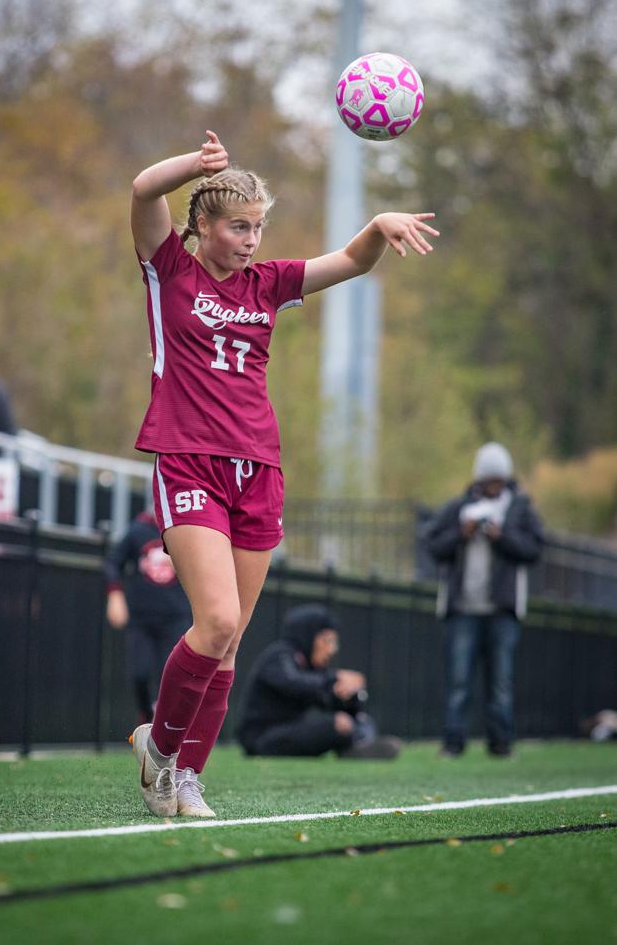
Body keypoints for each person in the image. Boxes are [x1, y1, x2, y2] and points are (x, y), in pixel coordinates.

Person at [128, 129, 438, 818]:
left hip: (258, 468)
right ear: (203, 225)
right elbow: (144, 188)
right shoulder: (170, 268)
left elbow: (353, 261)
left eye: (259, 227)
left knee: (231, 642)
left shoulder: (268, 284)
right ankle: (160, 749)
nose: (251, 239)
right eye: (239, 226)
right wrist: (196, 165)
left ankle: (186, 777)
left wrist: (378, 227)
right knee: (215, 620)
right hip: (187, 459)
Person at [424, 441, 545, 757]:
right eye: (488, 480)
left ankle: (501, 742)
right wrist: (460, 534)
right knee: (458, 680)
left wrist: (501, 537)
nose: (493, 486)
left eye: (498, 480)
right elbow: (432, 544)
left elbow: (534, 549)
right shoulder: (458, 507)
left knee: (501, 682)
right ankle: (453, 742)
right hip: (462, 607)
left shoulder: (519, 508)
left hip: (502, 609)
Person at [236, 604, 401, 760]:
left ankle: (358, 747)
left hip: (289, 732)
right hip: (262, 739)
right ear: (308, 635)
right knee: (339, 723)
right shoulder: (279, 655)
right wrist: (335, 679)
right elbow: (293, 682)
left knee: (360, 720)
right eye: (327, 641)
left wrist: (348, 696)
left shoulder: (312, 667)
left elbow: (326, 698)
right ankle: (351, 748)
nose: (332, 649)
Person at [105, 511, 191, 725]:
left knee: (173, 678)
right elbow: (113, 562)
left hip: (175, 617)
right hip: (141, 619)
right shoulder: (138, 530)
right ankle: (146, 714)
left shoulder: (186, 530)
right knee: (139, 673)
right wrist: (115, 594)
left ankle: (168, 726)